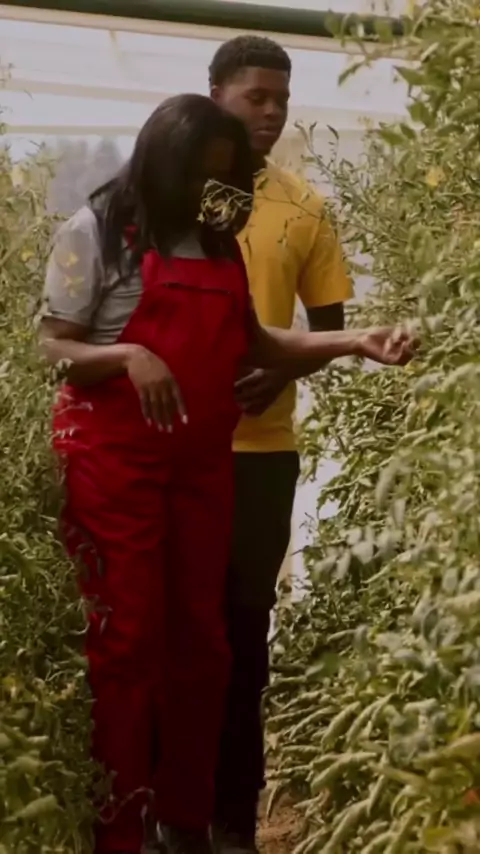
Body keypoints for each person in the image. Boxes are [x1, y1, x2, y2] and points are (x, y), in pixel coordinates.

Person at [39, 93, 415, 854]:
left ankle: (185, 817)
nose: (209, 195)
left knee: (203, 645)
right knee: (125, 642)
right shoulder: (96, 231)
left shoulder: (217, 246)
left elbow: (257, 343)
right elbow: (53, 345)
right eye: (197, 178)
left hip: (201, 465)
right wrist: (127, 354)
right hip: (112, 461)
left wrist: (353, 342)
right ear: (162, 165)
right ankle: (118, 829)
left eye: (223, 181)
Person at [209, 35, 355, 853]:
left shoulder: (303, 206)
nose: (271, 112)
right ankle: (162, 814)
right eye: (255, 97)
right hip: (167, 452)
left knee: (243, 632)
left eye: (282, 99)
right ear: (216, 96)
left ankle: (234, 820)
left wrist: (277, 374)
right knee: (168, 633)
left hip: (261, 455)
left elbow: (330, 328)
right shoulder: (167, 194)